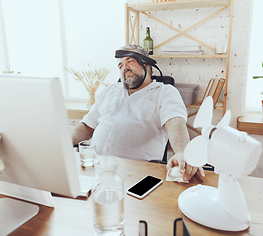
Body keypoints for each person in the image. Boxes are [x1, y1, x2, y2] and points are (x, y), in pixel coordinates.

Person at [71, 44, 204, 181]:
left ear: (146, 64)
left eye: (130, 61)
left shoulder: (164, 92)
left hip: (138, 175)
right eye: (120, 65)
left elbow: (175, 121)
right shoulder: (109, 91)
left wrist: (182, 152)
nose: (124, 67)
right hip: (95, 170)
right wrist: (63, 141)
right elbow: (87, 125)